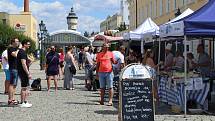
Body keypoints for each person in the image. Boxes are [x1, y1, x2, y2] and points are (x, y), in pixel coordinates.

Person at [17, 40, 32, 108]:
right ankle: (22, 102)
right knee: (24, 87)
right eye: (28, 44)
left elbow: (26, 63)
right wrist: (28, 73)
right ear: (24, 44)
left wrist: (29, 62)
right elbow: (23, 63)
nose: (29, 45)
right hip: (23, 72)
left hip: (23, 71)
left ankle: (25, 101)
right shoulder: (22, 52)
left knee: (25, 87)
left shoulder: (22, 52)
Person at [7, 37, 20, 105]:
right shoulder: (10, 48)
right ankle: (10, 99)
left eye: (18, 41)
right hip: (13, 68)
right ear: (13, 42)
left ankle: (13, 98)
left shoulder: (15, 49)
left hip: (17, 68)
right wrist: (18, 49)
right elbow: (15, 55)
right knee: (12, 84)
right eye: (17, 41)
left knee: (14, 85)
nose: (18, 42)